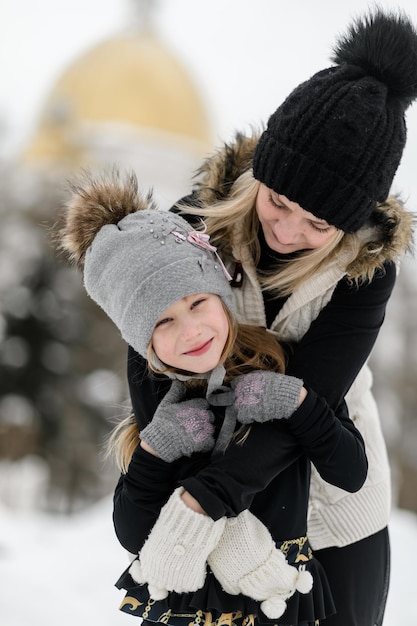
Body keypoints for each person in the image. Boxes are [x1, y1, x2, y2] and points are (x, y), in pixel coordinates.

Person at [124, 8, 417, 626]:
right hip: (196, 467)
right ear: (260, 174)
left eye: (320, 223)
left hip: (333, 503)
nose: (287, 231)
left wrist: (211, 502)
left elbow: (311, 394)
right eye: (278, 202)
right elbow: (147, 352)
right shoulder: (190, 227)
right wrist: (180, 488)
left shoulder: (364, 271)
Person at [58, 174, 368, 626]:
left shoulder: (280, 362)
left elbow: (351, 471)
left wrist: (298, 402)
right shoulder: (159, 401)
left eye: (199, 302)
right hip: (187, 599)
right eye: (163, 321)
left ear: (222, 294)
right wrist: (156, 447)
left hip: (276, 594)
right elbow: (132, 531)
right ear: (140, 339)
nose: (192, 331)